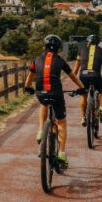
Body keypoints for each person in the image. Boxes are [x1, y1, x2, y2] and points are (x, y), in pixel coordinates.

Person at [24, 34, 84, 169]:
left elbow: (30, 76)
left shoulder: (37, 59)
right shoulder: (60, 60)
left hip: (41, 92)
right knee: (61, 122)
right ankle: (62, 153)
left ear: (44, 47)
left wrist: (27, 87)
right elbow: (73, 76)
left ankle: (40, 131)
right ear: (58, 49)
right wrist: (82, 88)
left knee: (44, 103)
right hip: (56, 93)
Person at [72, 34, 102, 126]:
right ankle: (101, 108)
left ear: (88, 43)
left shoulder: (82, 50)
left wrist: (75, 80)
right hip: (96, 75)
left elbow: (76, 68)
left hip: (83, 75)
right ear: (98, 43)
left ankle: (83, 118)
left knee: (83, 95)